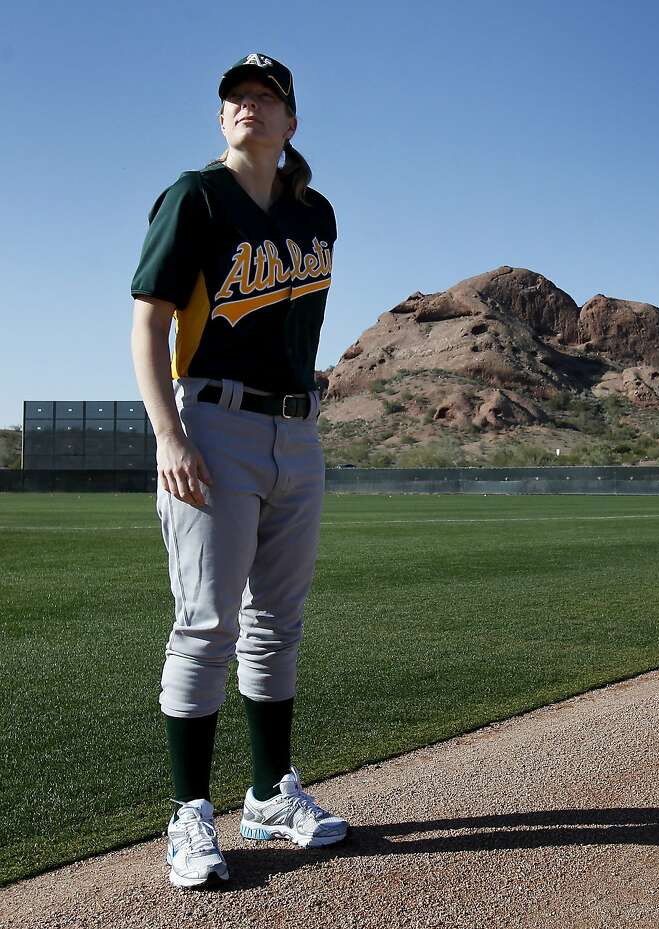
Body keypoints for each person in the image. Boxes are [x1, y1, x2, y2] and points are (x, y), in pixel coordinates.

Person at [130, 53, 348, 890]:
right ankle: (190, 813)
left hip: (296, 431)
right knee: (205, 621)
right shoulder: (195, 197)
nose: (247, 106)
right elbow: (148, 324)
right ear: (223, 120)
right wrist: (168, 435)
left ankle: (267, 794)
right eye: (235, 98)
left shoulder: (316, 215)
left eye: (265, 97)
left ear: (292, 122)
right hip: (212, 423)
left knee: (276, 623)